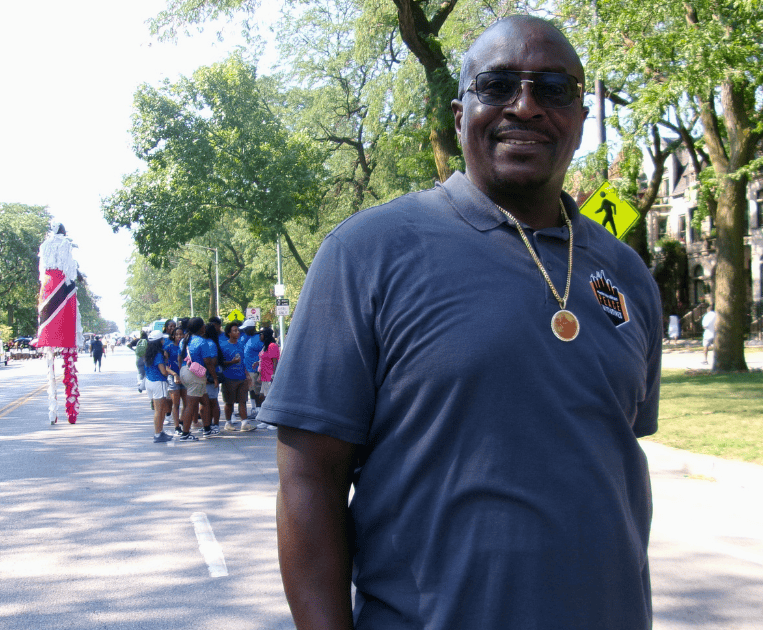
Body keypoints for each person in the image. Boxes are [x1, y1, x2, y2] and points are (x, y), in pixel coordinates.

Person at [261, 16, 661, 630]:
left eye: (553, 89)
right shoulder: (367, 253)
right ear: (458, 114)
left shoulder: (626, 274)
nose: (525, 106)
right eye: (497, 85)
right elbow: (308, 479)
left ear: (581, 119)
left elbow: (609, 460)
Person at [143, 330, 174, 443]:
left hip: (150, 382)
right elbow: (164, 372)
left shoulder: (148, 353)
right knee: (159, 410)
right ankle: (158, 434)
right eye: (162, 339)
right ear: (159, 341)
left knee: (158, 409)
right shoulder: (159, 354)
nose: (163, 341)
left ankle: (160, 432)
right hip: (159, 382)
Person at [219, 321, 250, 430]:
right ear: (229, 333)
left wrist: (247, 375)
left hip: (241, 377)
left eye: (238, 330)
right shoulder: (223, 346)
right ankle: (228, 423)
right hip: (229, 378)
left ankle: (244, 423)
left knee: (243, 401)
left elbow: (243, 361)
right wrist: (231, 362)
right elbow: (220, 362)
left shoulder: (241, 345)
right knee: (229, 402)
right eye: (235, 330)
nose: (237, 332)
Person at [240, 320, 263, 421]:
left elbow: (264, 354)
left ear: (251, 328)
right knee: (251, 390)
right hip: (248, 369)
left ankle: (259, 410)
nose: (244, 331)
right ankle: (254, 409)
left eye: (246, 329)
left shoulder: (259, 338)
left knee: (257, 391)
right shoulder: (248, 338)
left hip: (255, 370)